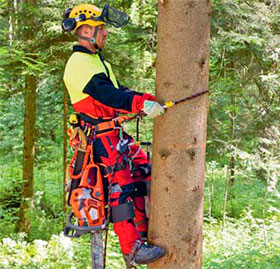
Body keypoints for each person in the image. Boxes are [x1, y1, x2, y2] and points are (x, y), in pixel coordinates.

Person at [62, 3, 165, 267]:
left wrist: (145, 100)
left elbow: (119, 91)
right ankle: (132, 248)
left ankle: (150, 228)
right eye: (101, 28)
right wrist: (139, 104)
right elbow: (108, 96)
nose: (105, 33)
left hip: (114, 134)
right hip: (99, 138)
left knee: (145, 169)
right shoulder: (78, 63)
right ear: (85, 30)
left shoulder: (96, 61)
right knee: (122, 186)